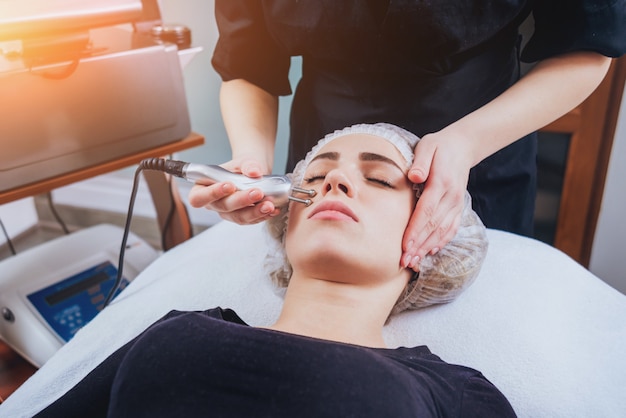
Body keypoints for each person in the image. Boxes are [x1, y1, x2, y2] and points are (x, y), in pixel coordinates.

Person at [34, 124, 513, 417]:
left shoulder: (453, 390)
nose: (335, 181)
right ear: (285, 225)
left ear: (429, 238)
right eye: (315, 177)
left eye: (380, 178)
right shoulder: (182, 326)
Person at [188, 0, 625, 273]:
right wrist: (251, 160)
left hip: (479, 134)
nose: (342, 184)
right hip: (322, 120)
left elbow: (585, 46)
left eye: (380, 180)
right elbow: (249, 62)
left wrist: (466, 144)